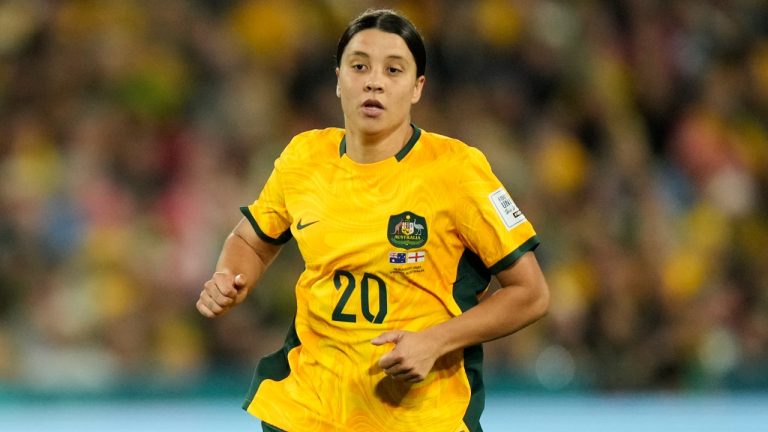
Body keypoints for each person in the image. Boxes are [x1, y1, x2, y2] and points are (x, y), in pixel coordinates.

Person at [197, 8, 549, 432]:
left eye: (394, 69)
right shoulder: (303, 158)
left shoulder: (457, 170)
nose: (374, 81)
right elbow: (252, 240)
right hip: (310, 411)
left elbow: (530, 293)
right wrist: (228, 278)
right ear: (339, 79)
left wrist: (434, 341)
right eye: (359, 66)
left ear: (418, 88)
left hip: (420, 416)